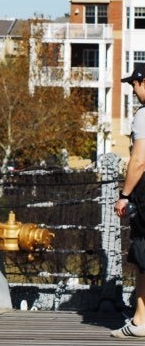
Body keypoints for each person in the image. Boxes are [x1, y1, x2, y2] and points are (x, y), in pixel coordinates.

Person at [113, 64, 145, 338]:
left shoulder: (143, 116)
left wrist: (124, 196)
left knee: (143, 258)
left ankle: (140, 322)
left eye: (134, 85)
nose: (133, 91)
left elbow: (139, 160)